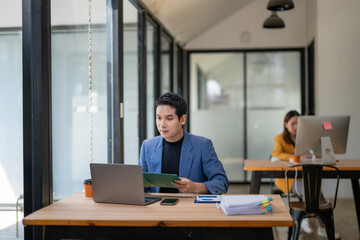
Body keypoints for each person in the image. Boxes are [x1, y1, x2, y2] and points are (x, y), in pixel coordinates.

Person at [139, 92, 229, 194]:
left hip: (190, 207)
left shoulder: (202, 146)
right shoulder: (147, 146)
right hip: (157, 207)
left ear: (182, 119)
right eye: (159, 118)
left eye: (169, 119)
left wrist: (195, 188)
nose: (162, 125)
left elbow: (222, 182)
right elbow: (139, 184)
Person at [271, 110, 340, 239]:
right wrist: (295, 157)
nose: (296, 126)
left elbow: (315, 153)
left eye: (298, 123)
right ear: (285, 124)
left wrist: (315, 154)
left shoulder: (306, 138)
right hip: (287, 179)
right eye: (293, 124)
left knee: (312, 187)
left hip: (305, 176)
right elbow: (276, 155)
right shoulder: (279, 138)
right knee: (310, 188)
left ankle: (313, 222)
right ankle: (310, 220)